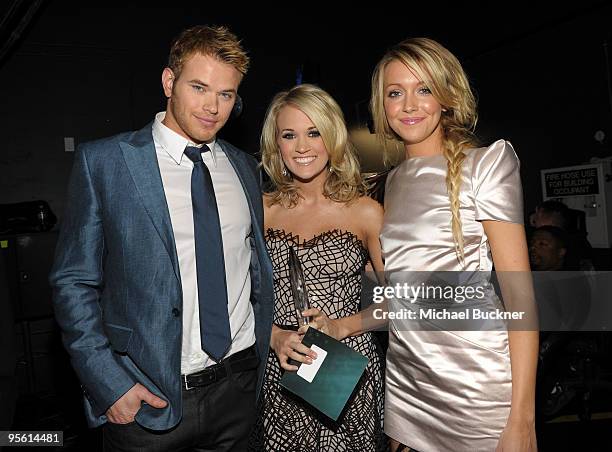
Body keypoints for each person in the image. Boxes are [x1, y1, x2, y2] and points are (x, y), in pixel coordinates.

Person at [49, 25, 273, 451]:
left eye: (226, 95)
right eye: (199, 87)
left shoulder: (244, 168)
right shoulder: (106, 163)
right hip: (148, 401)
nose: (213, 106)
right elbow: (72, 282)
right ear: (169, 82)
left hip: (239, 390)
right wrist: (107, 383)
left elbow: (254, 272)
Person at [370, 37, 538, 451]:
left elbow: (520, 296)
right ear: (382, 104)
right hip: (408, 381)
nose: (409, 105)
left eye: (423, 89)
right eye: (396, 92)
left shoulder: (487, 165)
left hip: (476, 384)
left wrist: (522, 417)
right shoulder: (390, 182)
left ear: (446, 97)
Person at [249, 84, 387, 451]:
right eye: (289, 135)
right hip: (282, 368)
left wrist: (342, 326)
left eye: (314, 132)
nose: (302, 147)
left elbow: (400, 301)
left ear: (333, 136)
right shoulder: (259, 211)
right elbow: (237, 296)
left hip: (346, 372)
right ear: (275, 144)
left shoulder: (366, 212)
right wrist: (275, 335)